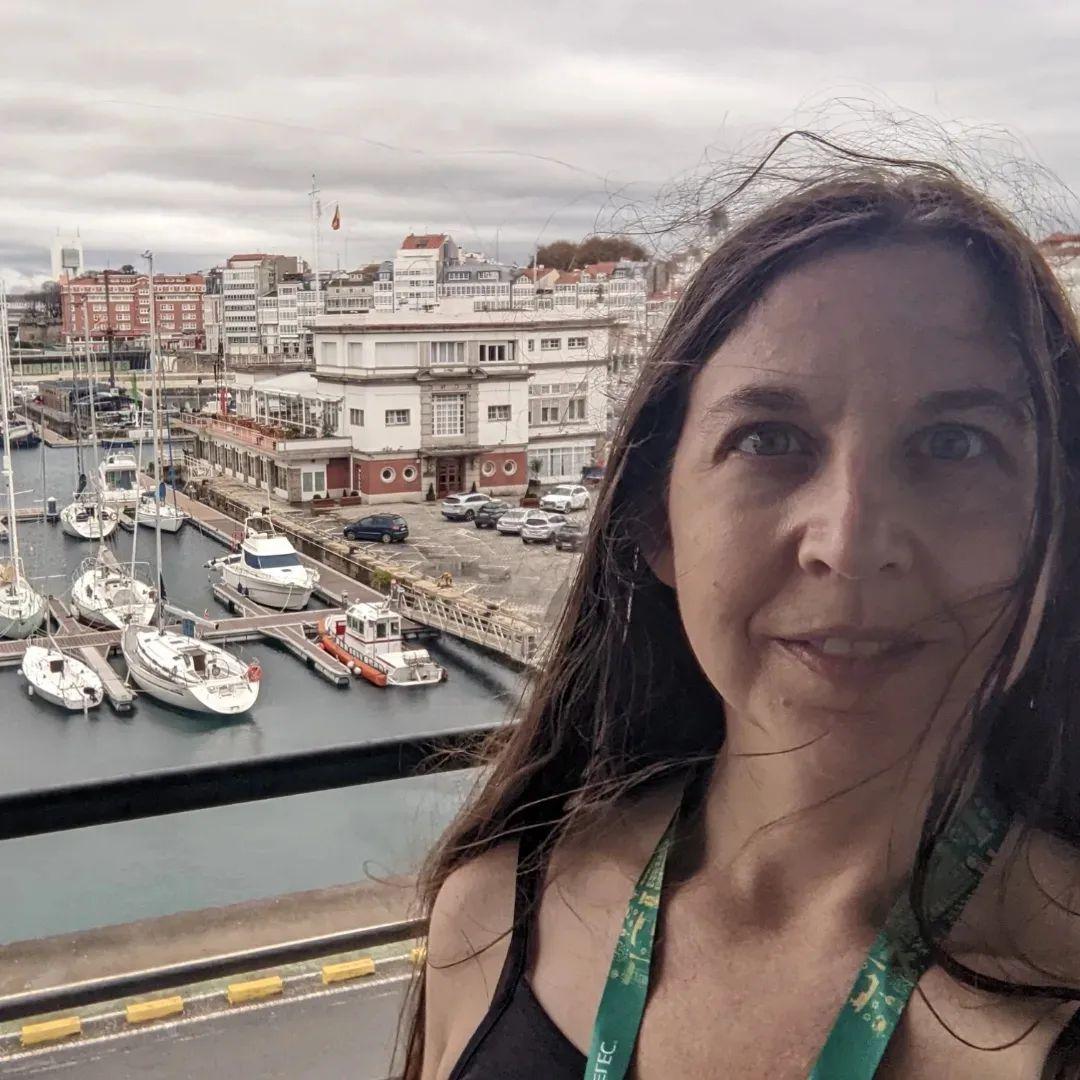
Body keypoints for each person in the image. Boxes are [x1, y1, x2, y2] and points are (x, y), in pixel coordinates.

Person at [405, 152, 1080, 1079]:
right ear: (656, 519)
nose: (848, 541)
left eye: (953, 445)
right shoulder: (491, 921)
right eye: (770, 440)